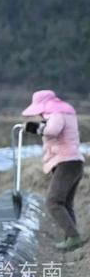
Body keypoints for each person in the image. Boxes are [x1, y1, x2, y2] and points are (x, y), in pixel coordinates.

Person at [22, 90, 86, 250]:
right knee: (65, 203)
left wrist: (35, 128)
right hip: (74, 162)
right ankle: (71, 239)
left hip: (66, 162)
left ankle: (73, 237)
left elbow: (52, 130)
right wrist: (36, 127)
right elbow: (51, 127)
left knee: (53, 201)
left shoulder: (56, 114)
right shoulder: (65, 113)